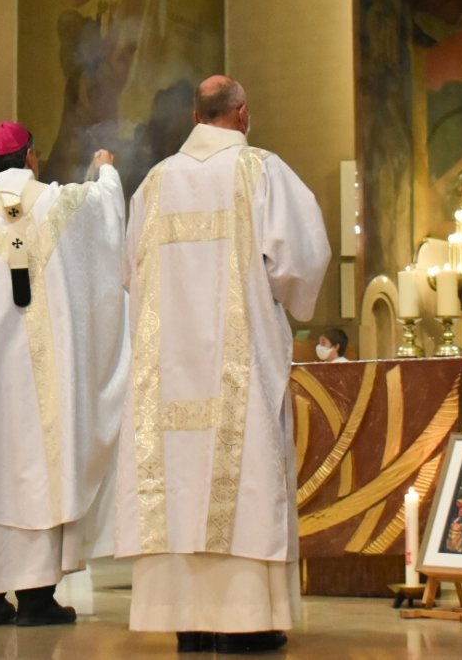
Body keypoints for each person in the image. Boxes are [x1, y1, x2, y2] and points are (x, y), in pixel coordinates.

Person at [117, 75, 331, 654]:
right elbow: (300, 263)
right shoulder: (262, 171)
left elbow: (130, 275)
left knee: (178, 481)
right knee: (248, 476)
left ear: (195, 115)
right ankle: (248, 622)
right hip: (240, 364)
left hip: (167, 368)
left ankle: (188, 622)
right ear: (242, 114)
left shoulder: (153, 184)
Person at [0, 123, 127, 627]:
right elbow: (107, 212)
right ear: (32, 157)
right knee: (40, 465)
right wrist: (105, 167)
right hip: (45, 374)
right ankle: (37, 597)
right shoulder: (63, 204)